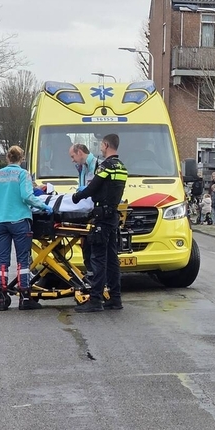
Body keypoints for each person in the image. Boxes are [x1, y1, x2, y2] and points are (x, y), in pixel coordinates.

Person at [0, 146, 53, 311]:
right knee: (23, 261)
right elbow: (27, 196)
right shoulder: (23, 174)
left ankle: (1, 298)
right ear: (21, 159)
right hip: (19, 221)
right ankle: (25, 297)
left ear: (7, 158)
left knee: (2, 261)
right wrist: (44, 206)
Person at [71, 133, 127, 313]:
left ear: (105, 145)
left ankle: (95, 300)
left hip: (102, 217)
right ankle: (115, 298)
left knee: (98, 259)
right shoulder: (122, 167)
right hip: (113, 217)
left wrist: (76, 197)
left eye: (101, 146)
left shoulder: (105, 166)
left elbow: (93, 187)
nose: (100, 148)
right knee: (112, 260)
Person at [70, 143, 98, 278]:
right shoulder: (82, 167)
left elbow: (93, 187)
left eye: (73, 156)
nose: (72, 160)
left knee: (93, 247)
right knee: (86, 247)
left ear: (80, 152)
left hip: (94, 212)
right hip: (85, 212)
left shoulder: (96, 165)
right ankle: (91, 275)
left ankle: (96, 278)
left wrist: (84, 191)